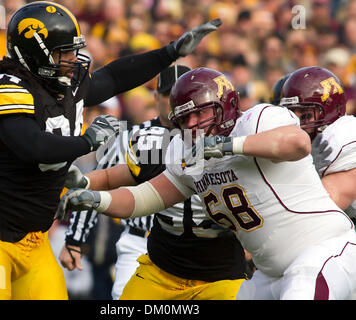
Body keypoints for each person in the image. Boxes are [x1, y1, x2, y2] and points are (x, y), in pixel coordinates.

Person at [0, 1, 222, 300]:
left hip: (35, 238)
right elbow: (32, 146)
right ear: (33, 53)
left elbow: (115, 78)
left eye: (71, 49)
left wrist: (170, 53)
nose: (71, 58)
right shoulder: (2, 86)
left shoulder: (64, 84)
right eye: (61, 52)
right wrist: (87, 141)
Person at [57, 67, 356, 300]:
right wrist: (98, 201)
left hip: (324, 250)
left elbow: (297, 142)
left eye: (200, 112)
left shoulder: (258, 119)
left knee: (303, 285)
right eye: (184, 119)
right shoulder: (185, 151)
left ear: (227, 106)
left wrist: (229, 146)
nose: (192, 125)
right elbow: (146, 197)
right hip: (271, 273)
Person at [59, 65, 248, 300]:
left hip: (219, 264)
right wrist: (77, 227)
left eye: (200, 110)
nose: (191, 121)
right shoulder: (152, 143)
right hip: (154, 253)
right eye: (180, 107)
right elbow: (112, 182)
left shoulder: (247, 141)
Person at [279, 66, 356, 222]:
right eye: (291, 114)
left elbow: (312, 214)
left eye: (306, 115)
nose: (297, 123)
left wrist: (305, 166)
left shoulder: (341, 135)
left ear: (332, 109)